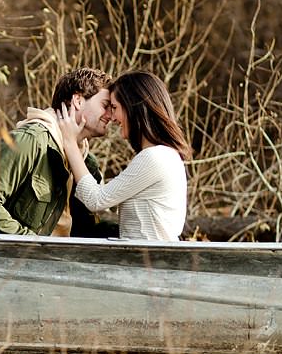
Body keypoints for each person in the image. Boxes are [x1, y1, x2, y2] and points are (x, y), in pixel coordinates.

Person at [0, 67, 119, 237]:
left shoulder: (86, 163)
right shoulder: (30, 141)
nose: (111, 115)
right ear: (78, 100)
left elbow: (83, 229)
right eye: (105, 106)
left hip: (57, 259)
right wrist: (34, 246)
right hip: (6, 260)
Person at [57, 71, 191, 240]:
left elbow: (96, 200)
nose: (111, 117)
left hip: (147, 262)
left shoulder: (154, 157)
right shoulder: (166, 155)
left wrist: (70, 143)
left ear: (133, 106)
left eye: (114, 108)